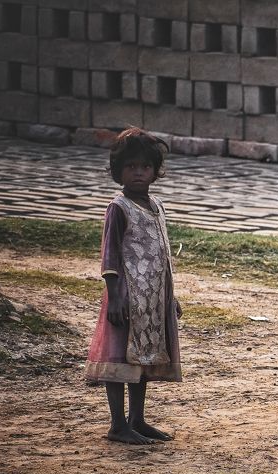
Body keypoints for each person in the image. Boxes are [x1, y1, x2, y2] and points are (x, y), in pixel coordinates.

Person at [85, 127, 181, 445]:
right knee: (118, 360)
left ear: (155, 171)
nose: (138, 172)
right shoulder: (119, 208)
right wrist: (115, 297)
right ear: (118, 171)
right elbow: (110, 255)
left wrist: (171, 298)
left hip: (151, 300)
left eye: (145, 166)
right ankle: (117, 424)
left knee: (143, 359)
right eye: (130, 167)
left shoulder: (157, 206)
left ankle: (137, 419)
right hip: (126, 298)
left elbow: (163, 255)